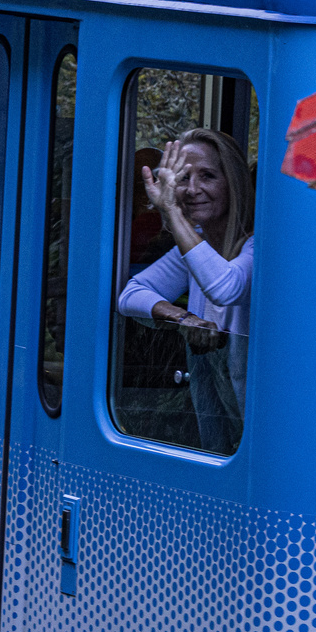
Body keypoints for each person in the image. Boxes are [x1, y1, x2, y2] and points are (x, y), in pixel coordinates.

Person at [118, 129, 254, 454]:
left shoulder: (257, 245)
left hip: (263, 433)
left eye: (207, 176)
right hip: (220, 430)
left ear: (232, 182)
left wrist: (172, 211)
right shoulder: (193, 248)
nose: (193, 190)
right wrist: (184, 317)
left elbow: (224, 286)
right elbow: (131, 295)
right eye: (183, 178)